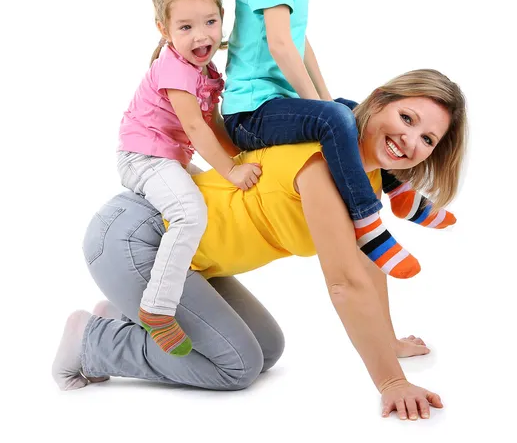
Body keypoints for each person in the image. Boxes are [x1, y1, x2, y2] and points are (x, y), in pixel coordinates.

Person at [52, 68, 467, 421]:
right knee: (237, 366)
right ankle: (92, 341)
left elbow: (370, 264)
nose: (409, 140)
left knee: (268, 349)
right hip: (137, 239)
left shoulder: (365, 181)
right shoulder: (321, 165)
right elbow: (345, 284)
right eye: (407, 117)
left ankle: (126, 313)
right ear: (377, 102)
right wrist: (390, 380)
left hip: (186, 263)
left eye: (428, 139)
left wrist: (388, 338)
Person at [222, 0, 420, 278]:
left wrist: (327, 100)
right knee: (334, 116)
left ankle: (397, 186)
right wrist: (320, 108)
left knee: (352, 109)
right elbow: (279, 46)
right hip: (249, 116)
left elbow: (299, 42)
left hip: (272, 106)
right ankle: (367, 223)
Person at [116, 0, 262, 356]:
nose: (202, 36)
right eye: (186, 26)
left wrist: (240, 158)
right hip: (144, 157)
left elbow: (213, 121)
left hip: (167, 158)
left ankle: (190, 277)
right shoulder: (175, 67)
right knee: (189, 213)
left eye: (210, 22)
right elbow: (196, 127)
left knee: (213, 200)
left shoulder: (206, 70)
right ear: (164, 29)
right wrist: (231, 170)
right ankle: (157, 309)